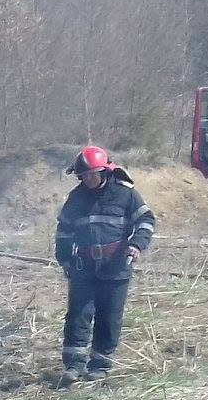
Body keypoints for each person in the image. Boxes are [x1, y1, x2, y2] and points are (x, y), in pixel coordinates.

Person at [54, 145, 156, 383]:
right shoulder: (76, 198)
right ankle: (74, 366)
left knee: (109, 316)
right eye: (84, 175)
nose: (88, 179)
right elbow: (64, 230)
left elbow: (146, 220)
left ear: (105, 171)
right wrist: (64, 258)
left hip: (116, 265)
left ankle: (99, 365)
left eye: (92, 174)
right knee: (78, 315)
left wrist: (137, 244)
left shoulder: (126, 194)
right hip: (83, 266)